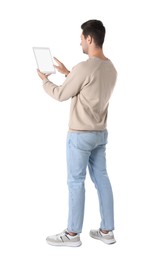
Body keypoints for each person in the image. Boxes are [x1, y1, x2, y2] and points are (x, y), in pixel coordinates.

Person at [37, 19, 117, 247]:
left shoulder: (84, 67)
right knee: (102, 179)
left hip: (80, 135)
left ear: (90, 38)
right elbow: (90, 86)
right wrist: (67, 72)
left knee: (75, 181)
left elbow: (62, 95)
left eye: (81, 37)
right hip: (100, 134)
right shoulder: (111, 68)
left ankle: (72, 235)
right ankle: (107, 231)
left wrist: (45, 81)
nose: (80, 41)